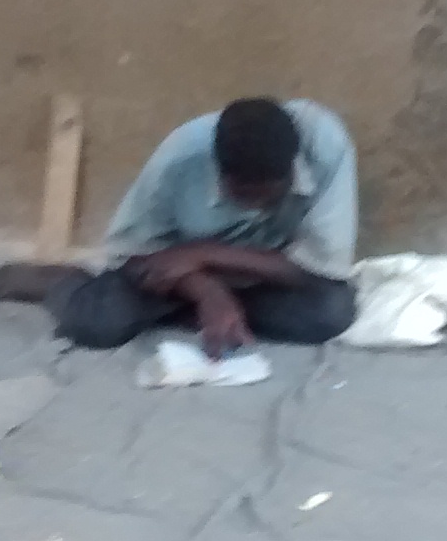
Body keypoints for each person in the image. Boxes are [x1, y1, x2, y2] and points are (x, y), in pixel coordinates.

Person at [47, 97, 358, 354]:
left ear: (291, 169)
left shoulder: (324, 145)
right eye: (244, 196)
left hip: (266, 275)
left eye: (270, 197)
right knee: (96, 323)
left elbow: (319, 269)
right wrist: (208, 292)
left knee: (331, 312)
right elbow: (133, 256)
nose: (257, 207)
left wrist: (202, 253)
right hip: (179, 278)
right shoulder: (179, 159)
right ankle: (59, 281)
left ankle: (204, 315)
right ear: (219, 172)